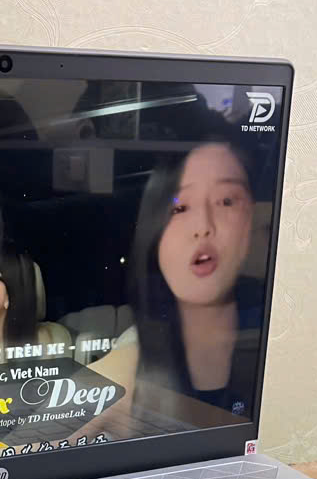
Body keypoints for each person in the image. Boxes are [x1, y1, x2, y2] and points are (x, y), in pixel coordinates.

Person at [89, 139, 261, 429]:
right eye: (180, 208)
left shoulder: (275, 334)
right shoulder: (131, 361)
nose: (203, 226)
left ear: (254, 218)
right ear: (154, 234)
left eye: (226, 201)